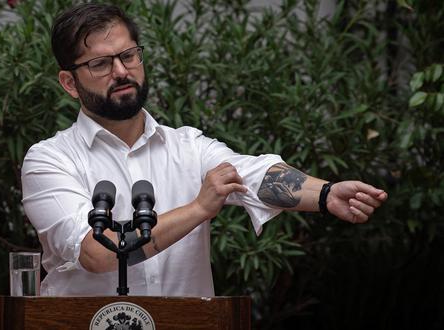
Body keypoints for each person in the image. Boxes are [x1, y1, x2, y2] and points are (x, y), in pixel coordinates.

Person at [21, 3, 388, 296]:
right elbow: (98, 253)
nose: (121, 71)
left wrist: (325, 193)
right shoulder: (50, 159)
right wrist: (198, 209)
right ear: (70, 82)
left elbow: (254, 175)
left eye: (129, 56)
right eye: (101, 63)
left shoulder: (188, 146)